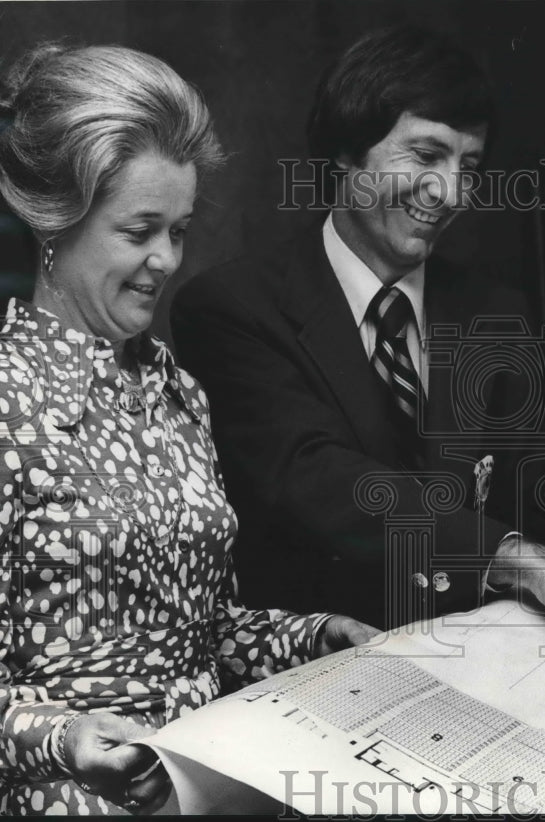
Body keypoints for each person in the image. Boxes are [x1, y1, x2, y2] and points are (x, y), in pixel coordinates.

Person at [171, 26, 545, 670]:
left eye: (468, 168)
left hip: (482, 676)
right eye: (425, 156)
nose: (451, 193)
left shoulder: (500, 317)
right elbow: (312, 477)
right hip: (312, 679)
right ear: (345, 154)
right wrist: (512, 557)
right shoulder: (230, 307)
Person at [0, 44, 379, 815]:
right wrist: (59, 736)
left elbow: (201, 632)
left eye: (178, 229)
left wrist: (312, 639)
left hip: (210, 786)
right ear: (54, 220)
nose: (166, 260)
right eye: (139, 230)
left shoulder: (178, 392)